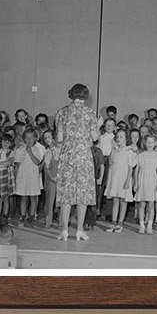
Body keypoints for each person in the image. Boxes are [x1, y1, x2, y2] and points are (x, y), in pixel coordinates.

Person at [53, 82, 100, 242]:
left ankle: (64, 230)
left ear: (71, 94)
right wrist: (97, 126)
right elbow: (95, 137)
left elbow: (59, 138)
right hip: (83, 156)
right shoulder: (89, 113)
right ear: (85, 96)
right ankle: (79, 230)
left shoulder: (61, 112)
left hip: (67, 155)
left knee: (66, 193)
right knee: (83, 193)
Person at [103, 128, 136, 233]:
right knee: (115, 200)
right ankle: (113, 222)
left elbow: (130, 167)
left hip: (124, 178)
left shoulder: (129, 152)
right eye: (117, 137)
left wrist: (127, 181)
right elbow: (111, 165)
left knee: (123, 201)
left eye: (121, 137)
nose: (118, 139)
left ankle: (120, 222)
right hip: (115, 179)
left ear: (126, 138)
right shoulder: (114, 151)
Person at [133, 135, 157, 234]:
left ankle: (150, 225)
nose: (150, 144)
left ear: (155, 144)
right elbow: (136, 171)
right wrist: (136, 183)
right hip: (142, 180)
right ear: (145, 143)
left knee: (151, 204)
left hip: (152, 181)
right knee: (142, 204)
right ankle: (142, 225)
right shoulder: (141, 156)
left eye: (152, 142)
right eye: (148, 142)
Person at [13, 126, 45, 224]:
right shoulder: (20, 150)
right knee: (23, 197)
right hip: (23, 176)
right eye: (27, 138)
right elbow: (17, 163)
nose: (29, 140)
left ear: (35, 138)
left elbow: (37, 162)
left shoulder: (37, 150)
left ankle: (31, 215)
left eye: (31, 138)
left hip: (33, 176)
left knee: (33, 197)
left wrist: (30, 152)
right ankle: (23, 215)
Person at [40, 128, 59, 227]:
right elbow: (46, 168)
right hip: (50, 179)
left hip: (60, 178)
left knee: (62, 201)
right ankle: (48, 221)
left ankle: (62, 222)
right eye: (45, 138)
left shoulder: (59, 150)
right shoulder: (47, 152)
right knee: (49, 201)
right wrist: (51, 177)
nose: (47, 139)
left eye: (49, 137)